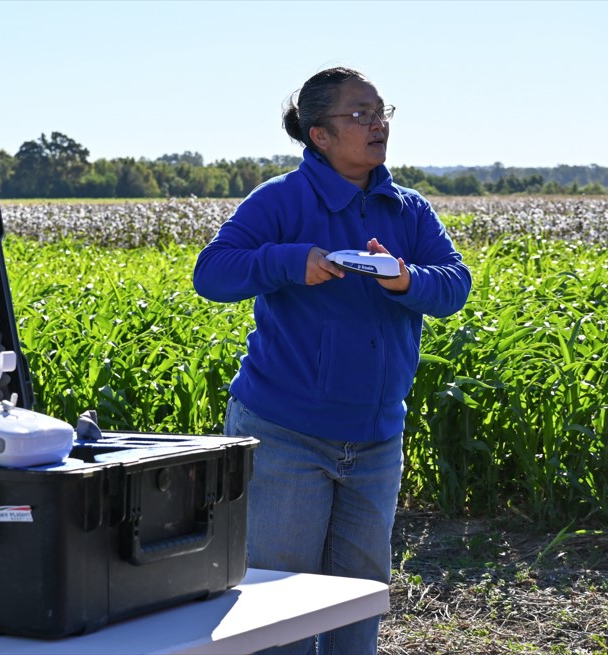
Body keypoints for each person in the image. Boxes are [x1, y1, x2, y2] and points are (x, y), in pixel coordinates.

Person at [192, 67, 472, 654]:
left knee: (357, 603)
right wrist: (293, 260)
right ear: (319, 135)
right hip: (285, 435)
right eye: (360, 115)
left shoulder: (407, 209)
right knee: (276, 611)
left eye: (381, 113)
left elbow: (454, 285)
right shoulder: (280, 200)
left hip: (374, 441)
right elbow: (212, 274)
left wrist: (404, 279)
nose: (377, 125)